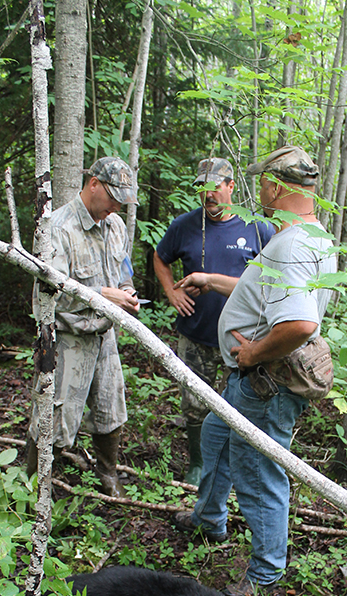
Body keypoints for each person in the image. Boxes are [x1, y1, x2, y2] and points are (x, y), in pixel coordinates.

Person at [174, 146, 336, 596]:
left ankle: (265, 575)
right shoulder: (313, 236)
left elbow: (301, 323)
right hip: (253, 381)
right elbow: (263, 291)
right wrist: (212, 280)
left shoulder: (289, 246)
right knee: (215, 433)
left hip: (265, 381)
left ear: (275, 186)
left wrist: (252, 354)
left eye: (262, 180)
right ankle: (208, 519)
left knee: (258, 469)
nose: (258, 188)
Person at [154, 157, 274, 485]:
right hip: (196, 333)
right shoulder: (184, 225)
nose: (208, 194)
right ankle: (198, 464)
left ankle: (235, 468)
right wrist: (171, 292)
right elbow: (160, 257)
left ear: (231, 186)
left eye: (215, 187)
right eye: (202, 188)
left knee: (240, 405)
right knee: (194, 403)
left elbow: (272, 282)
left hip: (242, 340)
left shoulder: (258, 228)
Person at [27, 156, 139, 497]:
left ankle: (108, 475)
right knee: (55, 417)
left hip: (104, 335)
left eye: (122, 200)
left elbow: (123, 269)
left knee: (110, 408)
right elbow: (50, 293)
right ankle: (33, 487)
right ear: (93, 184)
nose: (116, 205)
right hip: (67, 337)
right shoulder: (57, 228)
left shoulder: (115, 225)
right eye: (113, 197)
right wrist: (105, 295)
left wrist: (127, 292)